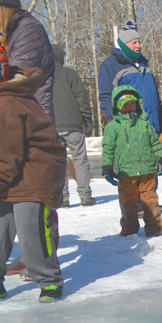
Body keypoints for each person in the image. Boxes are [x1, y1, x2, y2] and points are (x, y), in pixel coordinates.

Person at [0, 29, 65, 304]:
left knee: (31, 228)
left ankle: (49, 280)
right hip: (14, 174)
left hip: (36, 174)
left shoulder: (3, 105)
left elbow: (3, 162)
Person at [101, 86, 162, 238]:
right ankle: (129, 226)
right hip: (126, 171)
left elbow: (155, 143)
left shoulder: (144, 123)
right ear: (117, 107)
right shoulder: (113, 126)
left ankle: (153, 226)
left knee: (150, 199)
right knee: (128, 201)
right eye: (125, 105)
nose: (130, 107)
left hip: (147, 168)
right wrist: (107, 166)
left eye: (132, 104)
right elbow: (108, 148)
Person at [51, 44, 96, 208]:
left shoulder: (42, 76)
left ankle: (63, 198)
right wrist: (88, 120)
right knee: (80, 161)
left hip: (51, 128)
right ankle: (85, 196)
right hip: (73, 126)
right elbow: (82, 99)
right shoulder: (70, 74)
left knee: (58, 163)